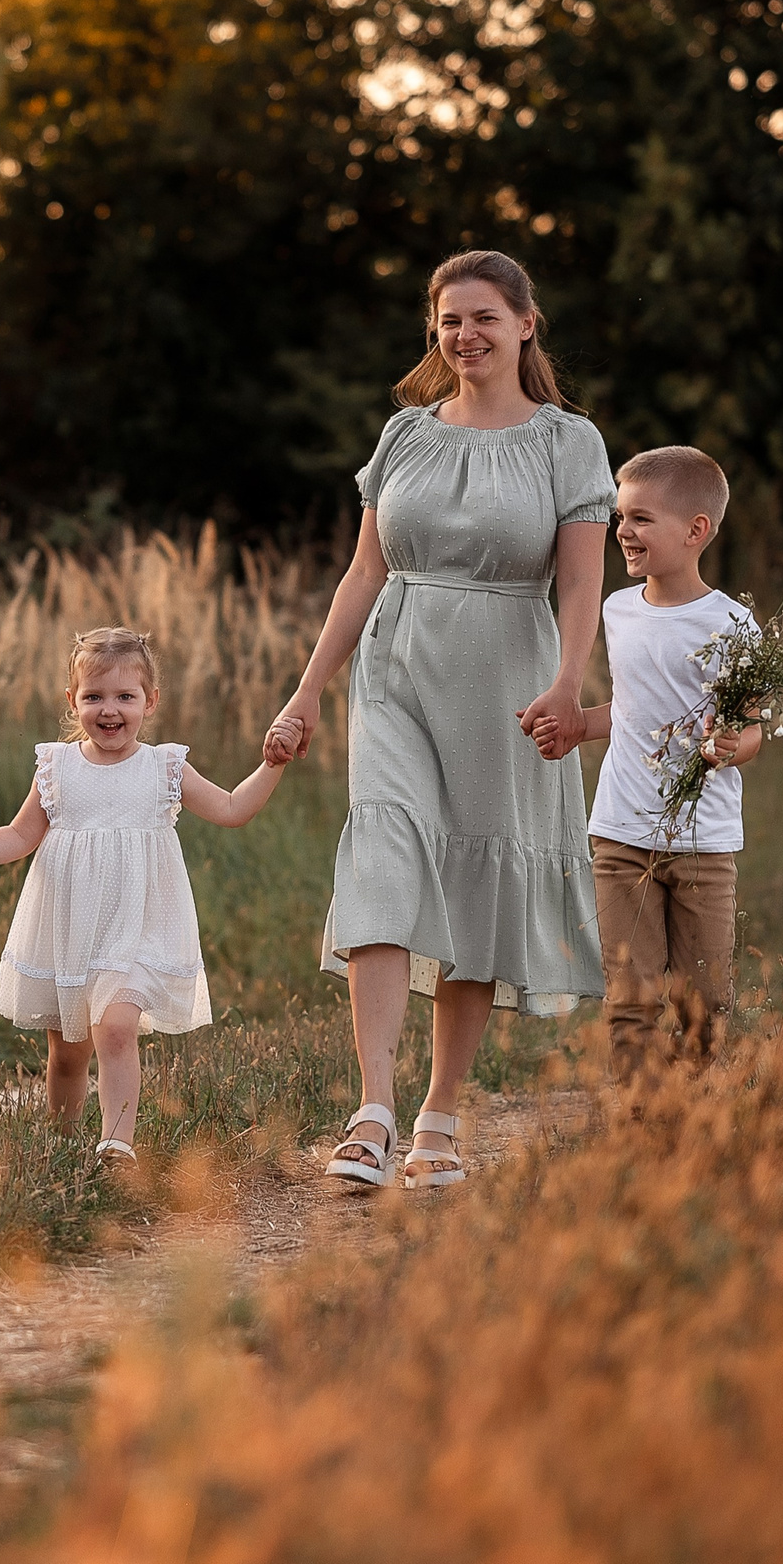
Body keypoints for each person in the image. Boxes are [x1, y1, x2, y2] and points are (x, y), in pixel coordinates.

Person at [265, 250, 612, 1189]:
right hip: (397, 669)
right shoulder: (406, 435)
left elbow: (582, 578)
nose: (466, 335)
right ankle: (372, 1107)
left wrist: (570, 684)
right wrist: (306, 691)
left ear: (525, 325)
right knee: (383, 852)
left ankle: (440, 1114)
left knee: (472, 884)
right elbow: (364, 574)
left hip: (512, 677)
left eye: (485, 318)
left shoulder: (568, 443)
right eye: (450, 319)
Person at [0, 628, 290, 1162]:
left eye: (125, 697)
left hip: (136, 924)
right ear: (72, 701)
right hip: (70, 926)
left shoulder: (164, 767)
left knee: (117, 1028)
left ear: (150, 702)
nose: (110, 710)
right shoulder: (57, 768)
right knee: (66, 1054)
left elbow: (230, 809)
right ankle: (59, 1145)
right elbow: (19, 836)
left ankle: (115, 1146)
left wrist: (273, 765)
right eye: (94, 697)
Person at [528, 446, 759, 1087]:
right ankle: (638, 1119)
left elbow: (752, 732)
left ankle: (688, 1115)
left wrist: (727, 745)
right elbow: (630, 712)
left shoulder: (733, 625)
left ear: (695, 531)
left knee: (704, 1001)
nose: (622, 531)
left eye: (640, 519)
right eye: (619, 516)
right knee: (631, 997)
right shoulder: (618, 611)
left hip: (703, 843)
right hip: (622, 835)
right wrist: (577, 727)